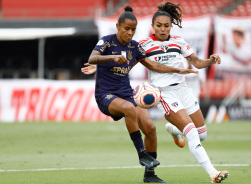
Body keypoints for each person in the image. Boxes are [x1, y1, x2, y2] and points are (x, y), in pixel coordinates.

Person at [82, 6, 197, 183]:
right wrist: (110, 58)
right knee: (129, 108)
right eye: (126, 28)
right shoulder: (107, 42)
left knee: (150, 128)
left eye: (133, 29)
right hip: (106, 95)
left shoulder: (135, 47)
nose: (130, 32)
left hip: (126, 93)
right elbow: (92, 58)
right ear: (118, 26)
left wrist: (177, 69)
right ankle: (142, 153)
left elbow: (154, 65)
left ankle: (150, 175)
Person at [138, 2, 229, 183]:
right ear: (152, 26)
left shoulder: (178, 41)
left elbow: (196, 62)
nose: (162, 29)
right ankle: (213, 173)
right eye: (159, 26)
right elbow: (128, 62)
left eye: (166, 26)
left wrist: (210, 60)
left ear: (171, 26)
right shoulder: (144, 45)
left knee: (201, 134)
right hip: (165, 94)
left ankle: (173, 129)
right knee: (192, 133)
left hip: (184, 90)